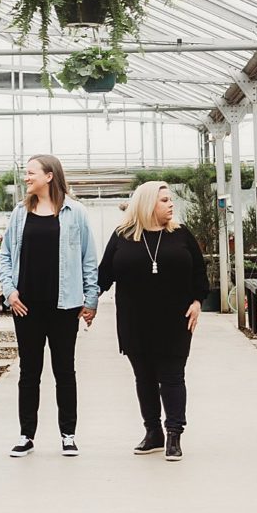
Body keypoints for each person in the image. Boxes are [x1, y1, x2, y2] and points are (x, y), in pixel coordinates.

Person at [97, 180, 208, 462]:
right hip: (134, 320)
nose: (171, 205)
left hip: (175, 319)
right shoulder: (123, 236)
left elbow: (199, 272)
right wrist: (86, 303)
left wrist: (197, 302)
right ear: (147, 204)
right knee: (144, 378)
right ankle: (152, 432)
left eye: (170, 200)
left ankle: (174, 434)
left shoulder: (181, 235)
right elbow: (103, 275)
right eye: (164, 200)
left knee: (172, 376)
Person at [0, 155, 99, 458]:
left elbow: (88, 259)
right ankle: (26, 435)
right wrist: (10, 292)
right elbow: (5, 255)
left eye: (31, 173)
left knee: (64, 370)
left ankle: (68, 434)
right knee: (29, 371)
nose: (26, 178)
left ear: (50, 176)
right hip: (25, 306)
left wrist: (90, 300)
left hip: (64, 306)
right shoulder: (19, 213)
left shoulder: (75, 213)